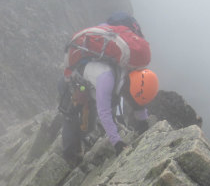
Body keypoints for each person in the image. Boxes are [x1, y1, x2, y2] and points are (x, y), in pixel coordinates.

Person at [59, 13, 158, 166]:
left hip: (91, 81)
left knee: (91, 123)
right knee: (74, 118)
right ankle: (69, 158)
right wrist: (117, 142)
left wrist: (143, 121)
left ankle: (80, 141)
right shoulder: (107, 78)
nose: (131, 101)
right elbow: (103, 111)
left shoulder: (132, 72)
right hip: (74, 81)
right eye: (131, 98)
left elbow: (138, 100)